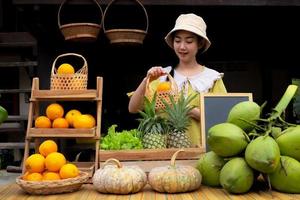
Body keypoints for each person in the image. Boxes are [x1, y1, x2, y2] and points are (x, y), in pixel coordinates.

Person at [128, 13, 227, 147]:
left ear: (200, 43)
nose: (182, 47)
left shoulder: (212, 78)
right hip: (165, 153)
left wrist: (192, 111)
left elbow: (222, 119)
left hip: (202, 153)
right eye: (178, 40)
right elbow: (133, 108)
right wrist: (147, 79)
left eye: (189, 41)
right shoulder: (163, 76)